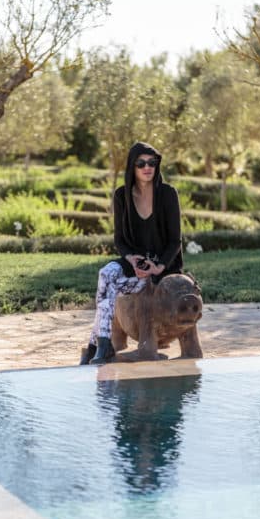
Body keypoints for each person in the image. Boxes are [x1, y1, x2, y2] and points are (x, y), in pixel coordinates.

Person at [80, 141, 183, 365]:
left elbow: (175, 241)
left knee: (109, 291)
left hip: (161, 266)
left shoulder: (167, 194)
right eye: (141, 163)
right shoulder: (121, 195)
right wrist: (131, 258)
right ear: (132, 167)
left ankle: (94, 346)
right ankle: (103, 344)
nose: (147, 167)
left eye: (152, 163)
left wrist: (160, 266)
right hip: (133, 263)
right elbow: (119, 240)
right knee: (106, 273)